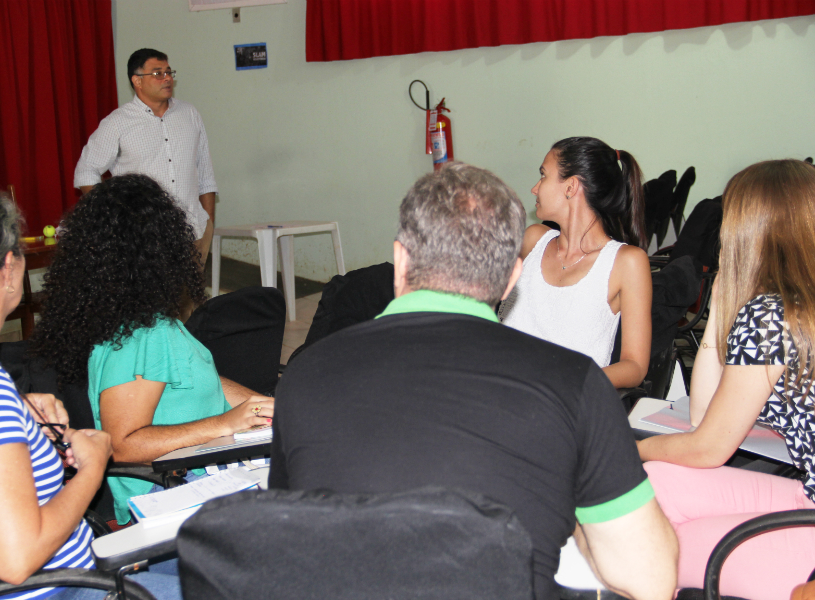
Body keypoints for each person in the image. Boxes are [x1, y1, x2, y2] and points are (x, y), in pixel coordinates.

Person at [269, 162, 677, 600]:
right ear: (512, 278)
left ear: (400, 261)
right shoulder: (575, 386)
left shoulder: (304, 374)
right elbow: (651, 580)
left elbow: (283, 541)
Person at [0, 186, 180, 599]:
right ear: (7, 268)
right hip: (58, 590)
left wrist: (15, 411)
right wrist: (92, 468)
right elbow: (15, 560)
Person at [30, 174, 272, 525]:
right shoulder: (142, 334)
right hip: (173, 491)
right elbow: (123, 445)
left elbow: (195, 379)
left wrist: (264, 407)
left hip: (197, 472)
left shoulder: (144, 322)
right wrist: (223, 423)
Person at [638, 159, 815, 600]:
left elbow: (707, 447)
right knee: (656, 483)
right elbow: (704, 419)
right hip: (808, 493)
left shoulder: (772, 317)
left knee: (646, 546)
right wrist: (721, 305)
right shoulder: (790, 308)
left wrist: (625, 449)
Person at [498, 137, 652, 389]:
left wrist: (570, 382)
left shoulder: (626, 262)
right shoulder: (533, 240)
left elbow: (635, 366)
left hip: (563, 401)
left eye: (543, 176)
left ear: (570, 186)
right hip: (502, 387)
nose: (534, 188)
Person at [74, 48, 217, 273]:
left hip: (194, 232)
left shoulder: (189, 114)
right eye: (158, 73)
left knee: (192, 296)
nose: (167, 78)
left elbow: (205, 173)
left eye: (169, 72)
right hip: (143, 238)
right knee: (153, 297)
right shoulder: (117, 123)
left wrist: (209, 223)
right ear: (137, 81)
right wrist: (112, 217)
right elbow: (86, 170)